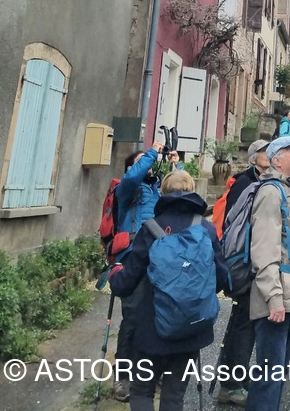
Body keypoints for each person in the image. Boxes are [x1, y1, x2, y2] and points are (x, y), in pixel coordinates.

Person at [108, 170, 228, 411]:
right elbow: (222, 279)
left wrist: (115, 273)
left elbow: (126, 284)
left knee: (142, 391)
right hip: (192, 328)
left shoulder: (151, 228)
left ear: (162, 193)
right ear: (192, 191)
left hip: (153, 327)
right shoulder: (205, 228)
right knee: (174, 397)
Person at [245, 135, 290, 411]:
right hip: (275, 295)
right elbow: (264, 250)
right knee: (269, 374)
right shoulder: (271, 193)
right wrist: (274, 298)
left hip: (289, 291)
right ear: (277, 160)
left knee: (278, 371)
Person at [112, 141, 180, 401]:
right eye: (142, 161)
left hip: (160, 259)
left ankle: (153, 370)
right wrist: (151, 152)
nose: (149, 165)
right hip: (133, 258)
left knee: (158, 315)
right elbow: (133, 176)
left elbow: (180, 192)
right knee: (132, 318)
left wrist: (175, 166)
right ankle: (123, 377)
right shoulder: (127, 188)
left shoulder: (157, 190)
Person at [215, 140, 270, 407]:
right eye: (264, 152)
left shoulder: (263, 181)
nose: (269, 155)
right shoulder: (244, 183)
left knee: (247, 322)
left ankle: (237, 376)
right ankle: (231, 384)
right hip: (244, 263)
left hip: (256, 261)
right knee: (243, 323)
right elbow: (236, 224)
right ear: (252, 158)